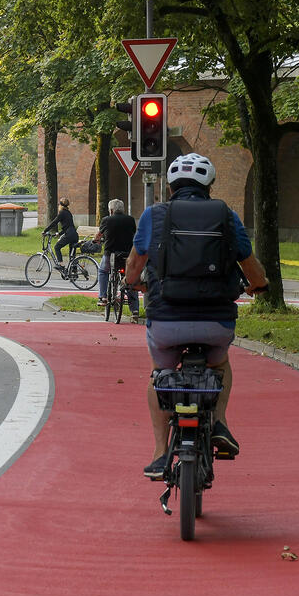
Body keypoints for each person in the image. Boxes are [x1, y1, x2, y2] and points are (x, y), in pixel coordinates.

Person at [124, 153, 268, 480]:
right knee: (219, 364)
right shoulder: (226, 217)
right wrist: (260, 286)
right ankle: (219, 422)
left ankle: (161, 454)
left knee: (159, 372)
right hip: (215, 323)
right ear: (209, 185)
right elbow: (250, 266)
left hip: (165, 323)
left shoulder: (153, 215)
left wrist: (133, 283)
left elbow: (134, 265)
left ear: (171, 186)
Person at [93, 198, 138, 318]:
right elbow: (135, 234)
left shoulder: (106, 220)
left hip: (111, 254)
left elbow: (99, 235)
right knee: (129, 278)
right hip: (127, 255)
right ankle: (135, 309)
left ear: (111, 210)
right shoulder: (130, 220)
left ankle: (103, 297)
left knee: (103, 271)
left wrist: (95, 240)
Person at [41, 198, 78, 268]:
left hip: (69, 234)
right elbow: (68, 226)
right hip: (74, 235)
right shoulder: (68, 213)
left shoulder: (62, 213)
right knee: (72, 255)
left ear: (60, 205)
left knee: (57, 247)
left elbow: (54, 222)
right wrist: (59, 234)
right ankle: (73, 271)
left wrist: (45, 230)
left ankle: (61, 265)